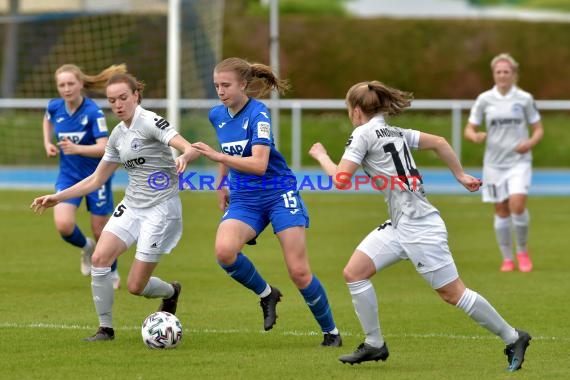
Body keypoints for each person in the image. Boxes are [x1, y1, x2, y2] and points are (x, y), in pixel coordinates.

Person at [309, 80, 531, 370]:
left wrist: (321, 156)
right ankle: (374, 344)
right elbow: (439, 142)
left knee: (453, 294)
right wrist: (460, 175)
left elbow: (340, 180)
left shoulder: (362, 133)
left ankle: (513, 336)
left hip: (420, 226)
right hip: (402, 223)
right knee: (355, 273)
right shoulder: (395, 131)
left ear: (356, 109)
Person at [32, 72, 200, 341]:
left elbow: (185, 145)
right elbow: (97, 178)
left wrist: (186, 155)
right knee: (99, 258)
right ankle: (105, 329)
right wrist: (58, 197)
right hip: (132, 205)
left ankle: (171, 292)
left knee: (136, 286)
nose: (118, 104)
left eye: (123, 98)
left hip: (161, 209)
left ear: (136, 95)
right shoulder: (118, 134)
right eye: (112, 101)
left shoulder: (149, 121)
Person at [191, 57, 341, 347]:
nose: (220, 91)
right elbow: (226, 149)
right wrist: (221, 183)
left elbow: (259, 164)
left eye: (226, 85)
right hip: (245, 198)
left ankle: (331, 332)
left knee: (298, 270)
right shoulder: (217, 115)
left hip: (278, 193)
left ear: (243, 85)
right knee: (224, 252)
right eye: (216, 86)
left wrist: (218, 158)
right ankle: (267, 294)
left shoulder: (258, 114)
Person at [43, 64, 123, 289]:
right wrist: (48, 142)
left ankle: (112, 271)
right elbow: (47, 119)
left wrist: (78, 149)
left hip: (96, 177)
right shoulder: (55, 107)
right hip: (68, 176)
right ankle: (87, 248)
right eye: (62, 85)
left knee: (101, 230)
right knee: (63, 225)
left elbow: (104, 147)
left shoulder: (92, 112)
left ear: (80, 84)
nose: (66, 89)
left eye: (70, 84)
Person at [464, 53, 543, 273]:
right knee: (501, 209)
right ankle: (507, 259)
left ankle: (523, 252)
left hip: (519, 162)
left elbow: (538, 129)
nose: (502, 75)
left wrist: (529, 143)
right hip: (494, 164)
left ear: (514, 74)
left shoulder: (524, 99)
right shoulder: (484, 99)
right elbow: (469, 128)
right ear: (494, 74)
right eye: (498, 72)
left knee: (517, 204)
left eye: (506, 72)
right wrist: (475, 136)